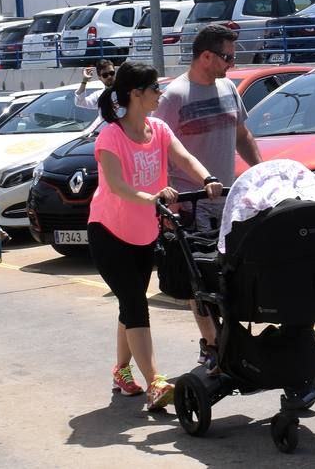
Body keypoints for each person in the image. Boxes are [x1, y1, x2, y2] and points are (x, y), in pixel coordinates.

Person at [90, 61, 222, 409]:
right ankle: (155, 382)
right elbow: (117, 186)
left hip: (144, 232)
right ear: (136, 94)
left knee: (128, 302)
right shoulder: (110, 137)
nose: (159, 95)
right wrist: (151, 197)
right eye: (154, 90)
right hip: (108, 232)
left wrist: (207, 179)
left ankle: (121, 370)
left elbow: (184, 158)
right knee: (135, 302)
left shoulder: (159, 129)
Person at [153, 24, 262, 369]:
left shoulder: (229, 87)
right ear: (206, 57)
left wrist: (261, 173)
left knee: (228, 277)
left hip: (227, 202)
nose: (233, 62)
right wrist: (165, 196)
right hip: (190, 204)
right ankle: (213, 345)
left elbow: (242, 135)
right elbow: (157, 147)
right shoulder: (175, 97)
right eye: (228, 56)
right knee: (197, 281)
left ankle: (229, 343)